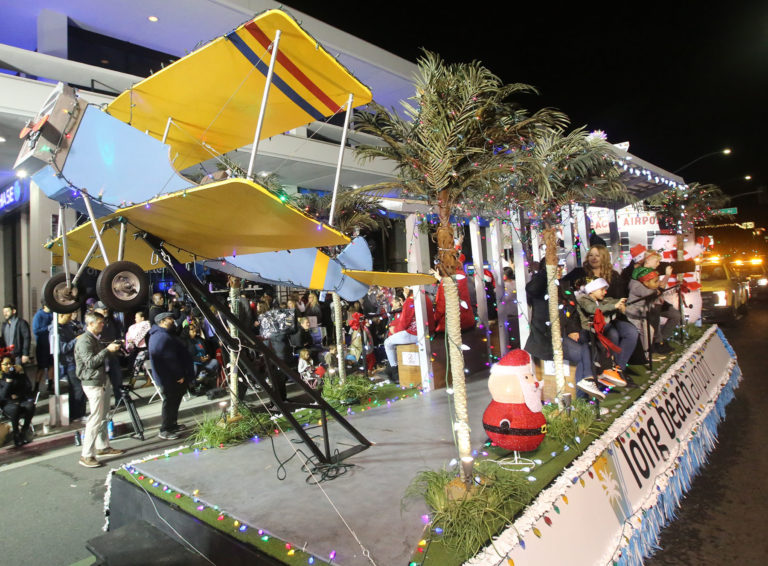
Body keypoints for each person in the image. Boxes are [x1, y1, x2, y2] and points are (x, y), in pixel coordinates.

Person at [523, 263, 603, 400]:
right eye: (556, 267)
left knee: (590, 345)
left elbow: (573, 312)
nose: (559, 269)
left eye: (560, 267)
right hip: (547, 338)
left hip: (565, 334)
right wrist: (546, 273)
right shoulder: (540, 287)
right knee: (582, 352)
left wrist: (573, 329)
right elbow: (531, 289)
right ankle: (583, 395)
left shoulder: (564, 286)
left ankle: (589, 388)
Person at [563, 245, 639, 374]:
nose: (594, 258)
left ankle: (618, 369)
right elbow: (565, 289)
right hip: (590, 318)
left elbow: (619, 297)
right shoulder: (579, 274)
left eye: (597, 255)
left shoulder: (613, 275)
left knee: (631, 333)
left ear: (603, 257)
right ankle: (606, 369)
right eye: (591, 255)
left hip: (613, 316)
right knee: (612, 335)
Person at [74, 311, 124, 468]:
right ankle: (86, 455)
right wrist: (107, 350)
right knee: (95, 418)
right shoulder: (84, 341)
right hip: (92, 382)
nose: (103, 325)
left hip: (102, 379)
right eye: (100, 322)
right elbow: (90, 362)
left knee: (103, 415)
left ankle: (102, 446)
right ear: (90, 324)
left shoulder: (94, 339)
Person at [575, 278, 629, 391]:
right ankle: (606, 369)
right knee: (611, 334)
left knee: (613, 333)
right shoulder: (583, 299)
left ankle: (608, 369)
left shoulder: (601, 299)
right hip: (587, 330)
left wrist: (621, 303)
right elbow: (593, 310)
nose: (605, 292)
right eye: (602, 290)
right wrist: (614, 306)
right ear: (592, 290)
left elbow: (612, 301)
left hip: (600, 329)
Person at [148, 312, 195, 440]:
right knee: (170, 402)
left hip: (171, 377)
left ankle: (172, 424)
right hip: (170, 378)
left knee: (174, 401)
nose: (172, 321)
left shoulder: (164, 335)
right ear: (162, 321)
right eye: (170, 319)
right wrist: (179, 375)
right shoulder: (161, 337)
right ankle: (165, 429)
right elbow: (169, 359)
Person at [383, 288, 435, 380]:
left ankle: (395, 372)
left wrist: (395, 330)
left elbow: (404, 323)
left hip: (415, 334)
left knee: (387, 342)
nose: (404, 290)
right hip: (428, 332)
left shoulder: (410, 300)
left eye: (405, 288)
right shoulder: (425, 297)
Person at [93, 302, 124, 405]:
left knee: (117, 379)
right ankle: (103, 404)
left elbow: (118, 335)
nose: (105, 310)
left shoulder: (113, 321)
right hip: (100, 356)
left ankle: (119, 400)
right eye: (102, 309)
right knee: (101, 383)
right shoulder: (93, 323)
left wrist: (118, 343)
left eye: (106, 308)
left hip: (112, 355)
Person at [0, 356, 36, 446]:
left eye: (10, 364)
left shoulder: (18, 374)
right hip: (7, 404)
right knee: (15, 408)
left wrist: (22, 373)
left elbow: (28, 387)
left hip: (20, 400)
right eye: (6, 364)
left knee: (30, 405)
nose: (8, 366)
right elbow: (3, 396)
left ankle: (24, 430)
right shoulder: (1, 378)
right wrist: (8, 381)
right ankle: (16, 434)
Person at [58, 313, 86, 421]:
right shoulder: (56, 330)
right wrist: (76, 340)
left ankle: (77, 414)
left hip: (75, 361)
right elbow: (63, 348)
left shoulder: (67, 327)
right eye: (68, 316)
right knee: (78, 388)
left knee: (76, 389)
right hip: (68, 363)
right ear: (60, 316)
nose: (70, 318)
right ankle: (77, 414)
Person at [32, 302, 54, 393]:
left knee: (51, 366)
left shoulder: (53, 314)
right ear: (45, 305)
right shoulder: (38, 315)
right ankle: (36, 387)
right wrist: (49, 327)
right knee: (41, 367)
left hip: (51, 345)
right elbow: (36, 331)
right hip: (42, 345)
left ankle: (50, 385)